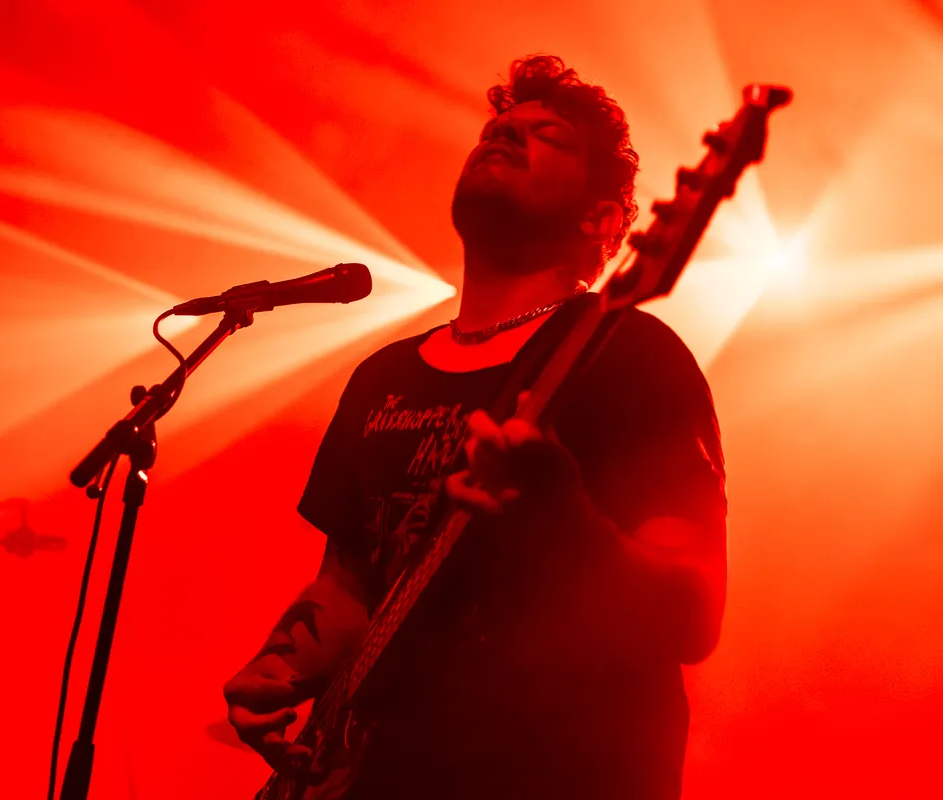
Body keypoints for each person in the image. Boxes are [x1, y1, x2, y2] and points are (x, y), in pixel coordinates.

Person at [223, 54, 727, 799]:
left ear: (601, 219)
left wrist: (565, 520)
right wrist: (281, 664)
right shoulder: (383, 377)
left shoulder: (630, 352)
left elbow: (694, 612)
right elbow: (350, 582)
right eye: (498, 128)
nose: (505, 134)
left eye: (547, 136)